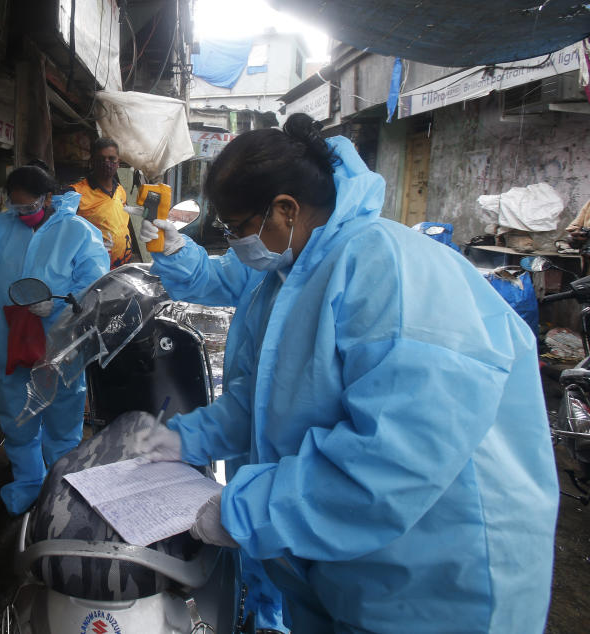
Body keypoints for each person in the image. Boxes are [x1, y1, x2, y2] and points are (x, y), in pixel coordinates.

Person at [137, 114, 558, 633]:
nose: (234, 243)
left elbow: (391, 458)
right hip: (346, 566)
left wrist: (243, 511)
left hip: (436, 577)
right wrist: (182, 440)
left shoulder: (388, 268)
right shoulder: (289, 276)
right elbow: (264, 401)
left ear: (285, 210)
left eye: (236, 229)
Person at [0, 166, 110, 515]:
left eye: (28, 207)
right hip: (11, 340)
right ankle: (27, 482)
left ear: (48, 198)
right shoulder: (2, 225)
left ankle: (60, 485)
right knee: (17, 413)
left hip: (61, 341)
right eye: (15, 207)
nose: (21, 214)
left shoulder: (78, 232)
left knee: (63, 415)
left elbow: (95, 287)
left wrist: (60, 300)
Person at [72, 137, 133, 268]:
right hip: (95, 271)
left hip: (123, 265)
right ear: (92, 161)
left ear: (118, 162)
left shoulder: (120, 190)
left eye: (111, 159)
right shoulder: (75, 193)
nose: (106, 163)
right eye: (101, 159)